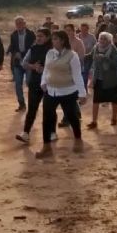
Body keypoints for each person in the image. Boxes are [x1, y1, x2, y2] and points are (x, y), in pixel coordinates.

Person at [35, 31, 87, 159]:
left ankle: (78, 140)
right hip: (51, 91)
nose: (53, 41)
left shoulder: (72, 56)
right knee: (46, 119)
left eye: (56, 39)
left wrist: (82, 93)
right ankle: (46, 147)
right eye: (52, 39)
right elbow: (46, 69)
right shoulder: (50, 53)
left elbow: (77, 75)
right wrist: (43, 82)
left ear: (63, 40)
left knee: (72, 117)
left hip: (67, 92)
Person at [16, 28, 53, 144]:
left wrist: (45, 69)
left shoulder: (52, 50)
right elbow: (24, 63)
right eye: (37, 36)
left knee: (49, 110)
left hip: (49, 84)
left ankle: (52, 132)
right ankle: (26, 133)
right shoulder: (33, 48)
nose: (38, 38)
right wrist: (33, 67)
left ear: (47, 37)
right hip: (35, 82)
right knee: (32, 108)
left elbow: (58, 66)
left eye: (41, 36)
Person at [88, 32, 117, 128]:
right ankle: (94, 121)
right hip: (98, 78)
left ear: (109, 41)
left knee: (114, 100)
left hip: (111, 80)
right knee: (96, 100)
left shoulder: (113, 49)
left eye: (104, 39)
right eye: (100, 38)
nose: (101, 40)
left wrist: (106, 59)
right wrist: (80, 56)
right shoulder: (96, 47)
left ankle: (114, 118)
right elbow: (90, 56)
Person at [6, 16, 35, 112]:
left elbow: (33, 48)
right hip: (17, 63)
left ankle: (32, 103)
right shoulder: (13, 35)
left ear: (24, 23)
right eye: (17, 23)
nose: (19, 25)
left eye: (20, 23)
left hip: (28, 63)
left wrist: (21, 54)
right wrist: (14, 53)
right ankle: (21, 104)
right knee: (18, 84)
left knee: (29, 83)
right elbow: (12, 47)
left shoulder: (31, 34)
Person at [78, 23, 97, 88]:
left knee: (85, 73)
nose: (83, 31)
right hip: (79, 58)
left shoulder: (92, 37)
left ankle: (84, 88)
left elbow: (96, 46)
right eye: (82, 29)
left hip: (88, 57)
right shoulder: (77, 37)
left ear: (87, 30)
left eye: (85, 30)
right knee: (78, 73)